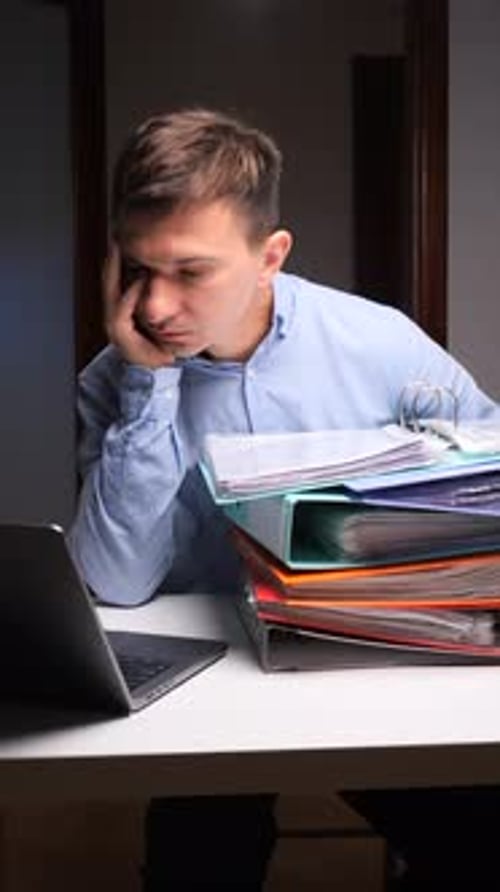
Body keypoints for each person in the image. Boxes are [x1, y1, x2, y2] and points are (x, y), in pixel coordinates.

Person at [68, 108, 500, 891]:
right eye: (137, 268)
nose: (156, 307)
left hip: (366, 663)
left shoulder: (381, 344)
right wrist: (151, 383)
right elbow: (117, 583)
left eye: (190, 272)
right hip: (208, 685)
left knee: (479, 847)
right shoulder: (117, 376)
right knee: (198, 871)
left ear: (270, 257)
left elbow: (488, 483)